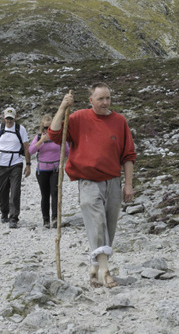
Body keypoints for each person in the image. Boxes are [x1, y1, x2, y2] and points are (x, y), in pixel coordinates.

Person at [49, 83, 136, 288]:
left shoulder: (119, 121)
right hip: (88, 182)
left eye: (108, 98)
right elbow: (54, 135)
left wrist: (128, 185)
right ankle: (106, 272)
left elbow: (128, 155)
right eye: (100, 99)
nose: (105, 102)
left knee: (109, 227)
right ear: (91, 101)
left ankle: (94, 269)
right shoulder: (78, 117)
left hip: (113, 182)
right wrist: (62, 108)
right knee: (97, 224)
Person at [0, 107, 31, 229]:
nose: (9, 120)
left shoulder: (20, 129)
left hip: (16, 163)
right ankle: (4, 212)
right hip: (0, 163)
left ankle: (14, 218)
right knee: (1, 191)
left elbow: (26, 147)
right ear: (3, 117)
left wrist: (28, 165)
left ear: (15, 118)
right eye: (7, 118)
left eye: (11, 118)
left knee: (15, 191)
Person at [28, 114, 69, 229]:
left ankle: (55, 218)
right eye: (45, 127)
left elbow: (67, 152)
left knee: (55, 192)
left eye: (50, 127)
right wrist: (41, 140)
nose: (48, 129)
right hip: (42, 170)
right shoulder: (38, 137)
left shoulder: (59, 137)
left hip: (56, 169)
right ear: (42, 128)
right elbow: (31, 150)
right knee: (45, 195)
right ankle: (46, 219)